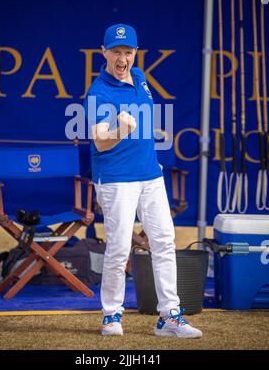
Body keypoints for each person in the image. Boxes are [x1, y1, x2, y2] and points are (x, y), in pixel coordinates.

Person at [84, 23, 202, 338]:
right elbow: (98, 141)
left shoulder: (139, 78)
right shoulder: (97, 92)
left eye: (128, 52)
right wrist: (120, 129)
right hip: (116, 179)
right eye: (116, 52)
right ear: (103, 52)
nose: (122, 59)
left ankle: (169, 316)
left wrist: (150, 158)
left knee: (163, 242)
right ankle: (111, 315)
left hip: (150, 175)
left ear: (135, 53)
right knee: (120, 247)